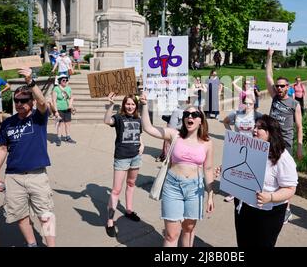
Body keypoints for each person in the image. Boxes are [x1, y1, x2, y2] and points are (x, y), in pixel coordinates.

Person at [0, 68, 56, 247]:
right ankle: (32, 244)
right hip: (13, 177)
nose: (19, 104)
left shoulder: (38, 117)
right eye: (16, 101)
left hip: (37, 176)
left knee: (46, 215)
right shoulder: (8, 123)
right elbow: (3, 148)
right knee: (20, 215)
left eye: (23, 101)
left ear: (31, 102)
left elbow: (43, 102)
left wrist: (30, 81)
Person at [139, 92, 215, 247]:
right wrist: (144, 105)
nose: (190, 117)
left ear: (201, 120)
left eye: (194, 114)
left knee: (188, 229)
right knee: (171, 234)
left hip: (195, 189)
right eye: (187, 114)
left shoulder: (207, 143)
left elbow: (207, 169)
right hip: (173, 186)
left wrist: (211, 194)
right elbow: (148, 127)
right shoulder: (175, 135)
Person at [218, 115, 298, 247]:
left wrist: (270, 197)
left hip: (268, 214)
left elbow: (290, 189)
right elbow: (240, 169)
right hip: (244, 208)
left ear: (271, 132)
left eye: (260, 128)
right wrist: (225, 170)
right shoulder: (248, 147)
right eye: (255, 126)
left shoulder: (282, 157)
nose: (255, 129)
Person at [266, 48, 303, 224]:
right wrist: (269, 56)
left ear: (288, 88)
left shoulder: (294, 104)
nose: (279, 88)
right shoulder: (274, 98)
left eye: (282, 86)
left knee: (286, 176)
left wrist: (300, 145)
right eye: (277, 86)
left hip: (285, 144)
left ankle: (286, 208)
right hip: (268, 141)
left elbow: (299, 126)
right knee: (269, 172)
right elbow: (268, 76)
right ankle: (271, 202)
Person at [103, 92, 144, 237]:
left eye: (133, 104)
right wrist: (110, 105)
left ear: (136, 106)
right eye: (128, 103)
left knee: (131, 184)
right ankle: (110, 221)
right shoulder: (119, 118)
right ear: (123, 105)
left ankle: (129, 210)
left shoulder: (138, 119)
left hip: (135, 157)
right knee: (115, 190)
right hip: (121, 158)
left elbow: (137, 135)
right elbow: (107, 121)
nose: (130, 106)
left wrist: (142, 144)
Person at [222, 96, 262, 202]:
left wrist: (258, 138)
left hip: (252, 145)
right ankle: (233, 192)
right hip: (238, 145)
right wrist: (231, 134)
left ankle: (250, 191)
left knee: (251, 169)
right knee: (236, 168)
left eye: (250, 104)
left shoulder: (258, 115)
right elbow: (225, 121)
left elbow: (264, 129)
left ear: (254, 104)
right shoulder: (236, 113)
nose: (247, 106)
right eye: (245, 103)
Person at [52, 75, 76, 146]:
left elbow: (71, 97)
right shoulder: (56, 89)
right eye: (63, 80)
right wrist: (56, 111)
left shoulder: (68, 88)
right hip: (59, 109)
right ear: (60, 81)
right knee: (60, 124)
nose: (65, 81)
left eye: (66, 80)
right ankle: (58, 138)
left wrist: (71, 105)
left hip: (67, 109)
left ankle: (68, 137)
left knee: (68, 124)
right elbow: (54, 100)